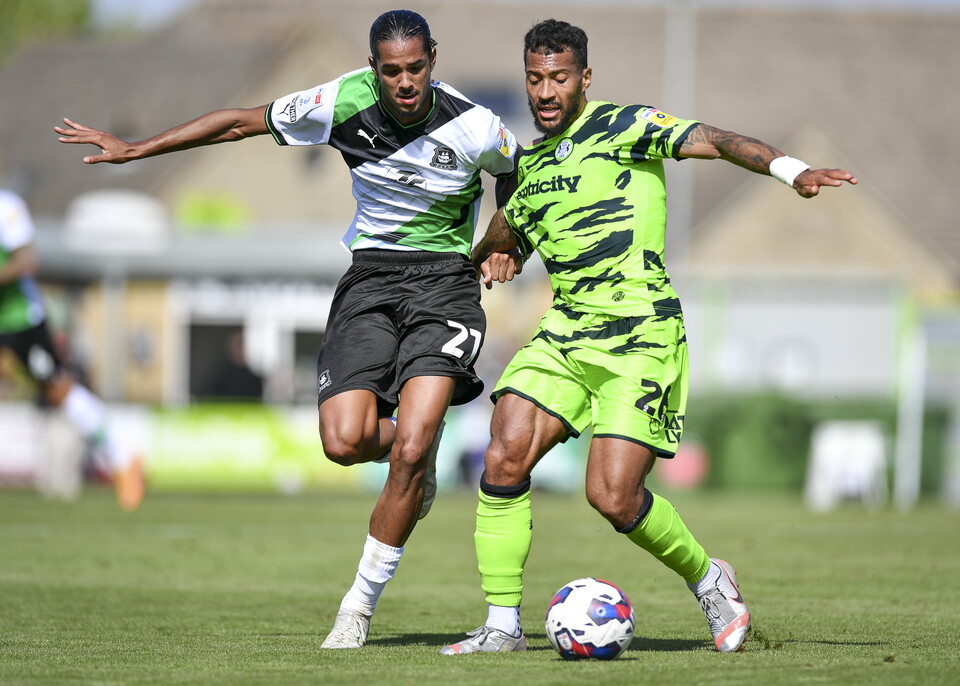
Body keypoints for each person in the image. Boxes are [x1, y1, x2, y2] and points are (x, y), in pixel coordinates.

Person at [56, 9, 519, 649]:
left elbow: (516, 176)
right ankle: (419, 454)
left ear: (433, 58)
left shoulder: (475, 125)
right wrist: (139, 148)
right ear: (375, 67)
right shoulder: (342, 100)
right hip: (371, 281)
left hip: (445, 283)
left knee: (409, 445)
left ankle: (356, 609)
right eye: (391, 71)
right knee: (345, 441)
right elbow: (240, 122)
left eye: (415, 68)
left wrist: (506, 244)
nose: (405, 82)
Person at [440, 19, 857, 656]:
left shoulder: (626, 125)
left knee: (611, 495)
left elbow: (714, 140)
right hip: (565, 334)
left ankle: (709, 579)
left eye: (558, 78)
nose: (546, 91)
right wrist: (494, 254)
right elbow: (508, 237)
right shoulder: (524, 166)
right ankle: (501, 626)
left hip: (640, 333)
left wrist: (788, 168)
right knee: (503, 455)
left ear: (584, 77)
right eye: (534, 79)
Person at [0, 186, 145, 510]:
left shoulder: (6, 206)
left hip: (20, 319)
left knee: (58, 391)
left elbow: (26, 260)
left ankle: (123, 458)